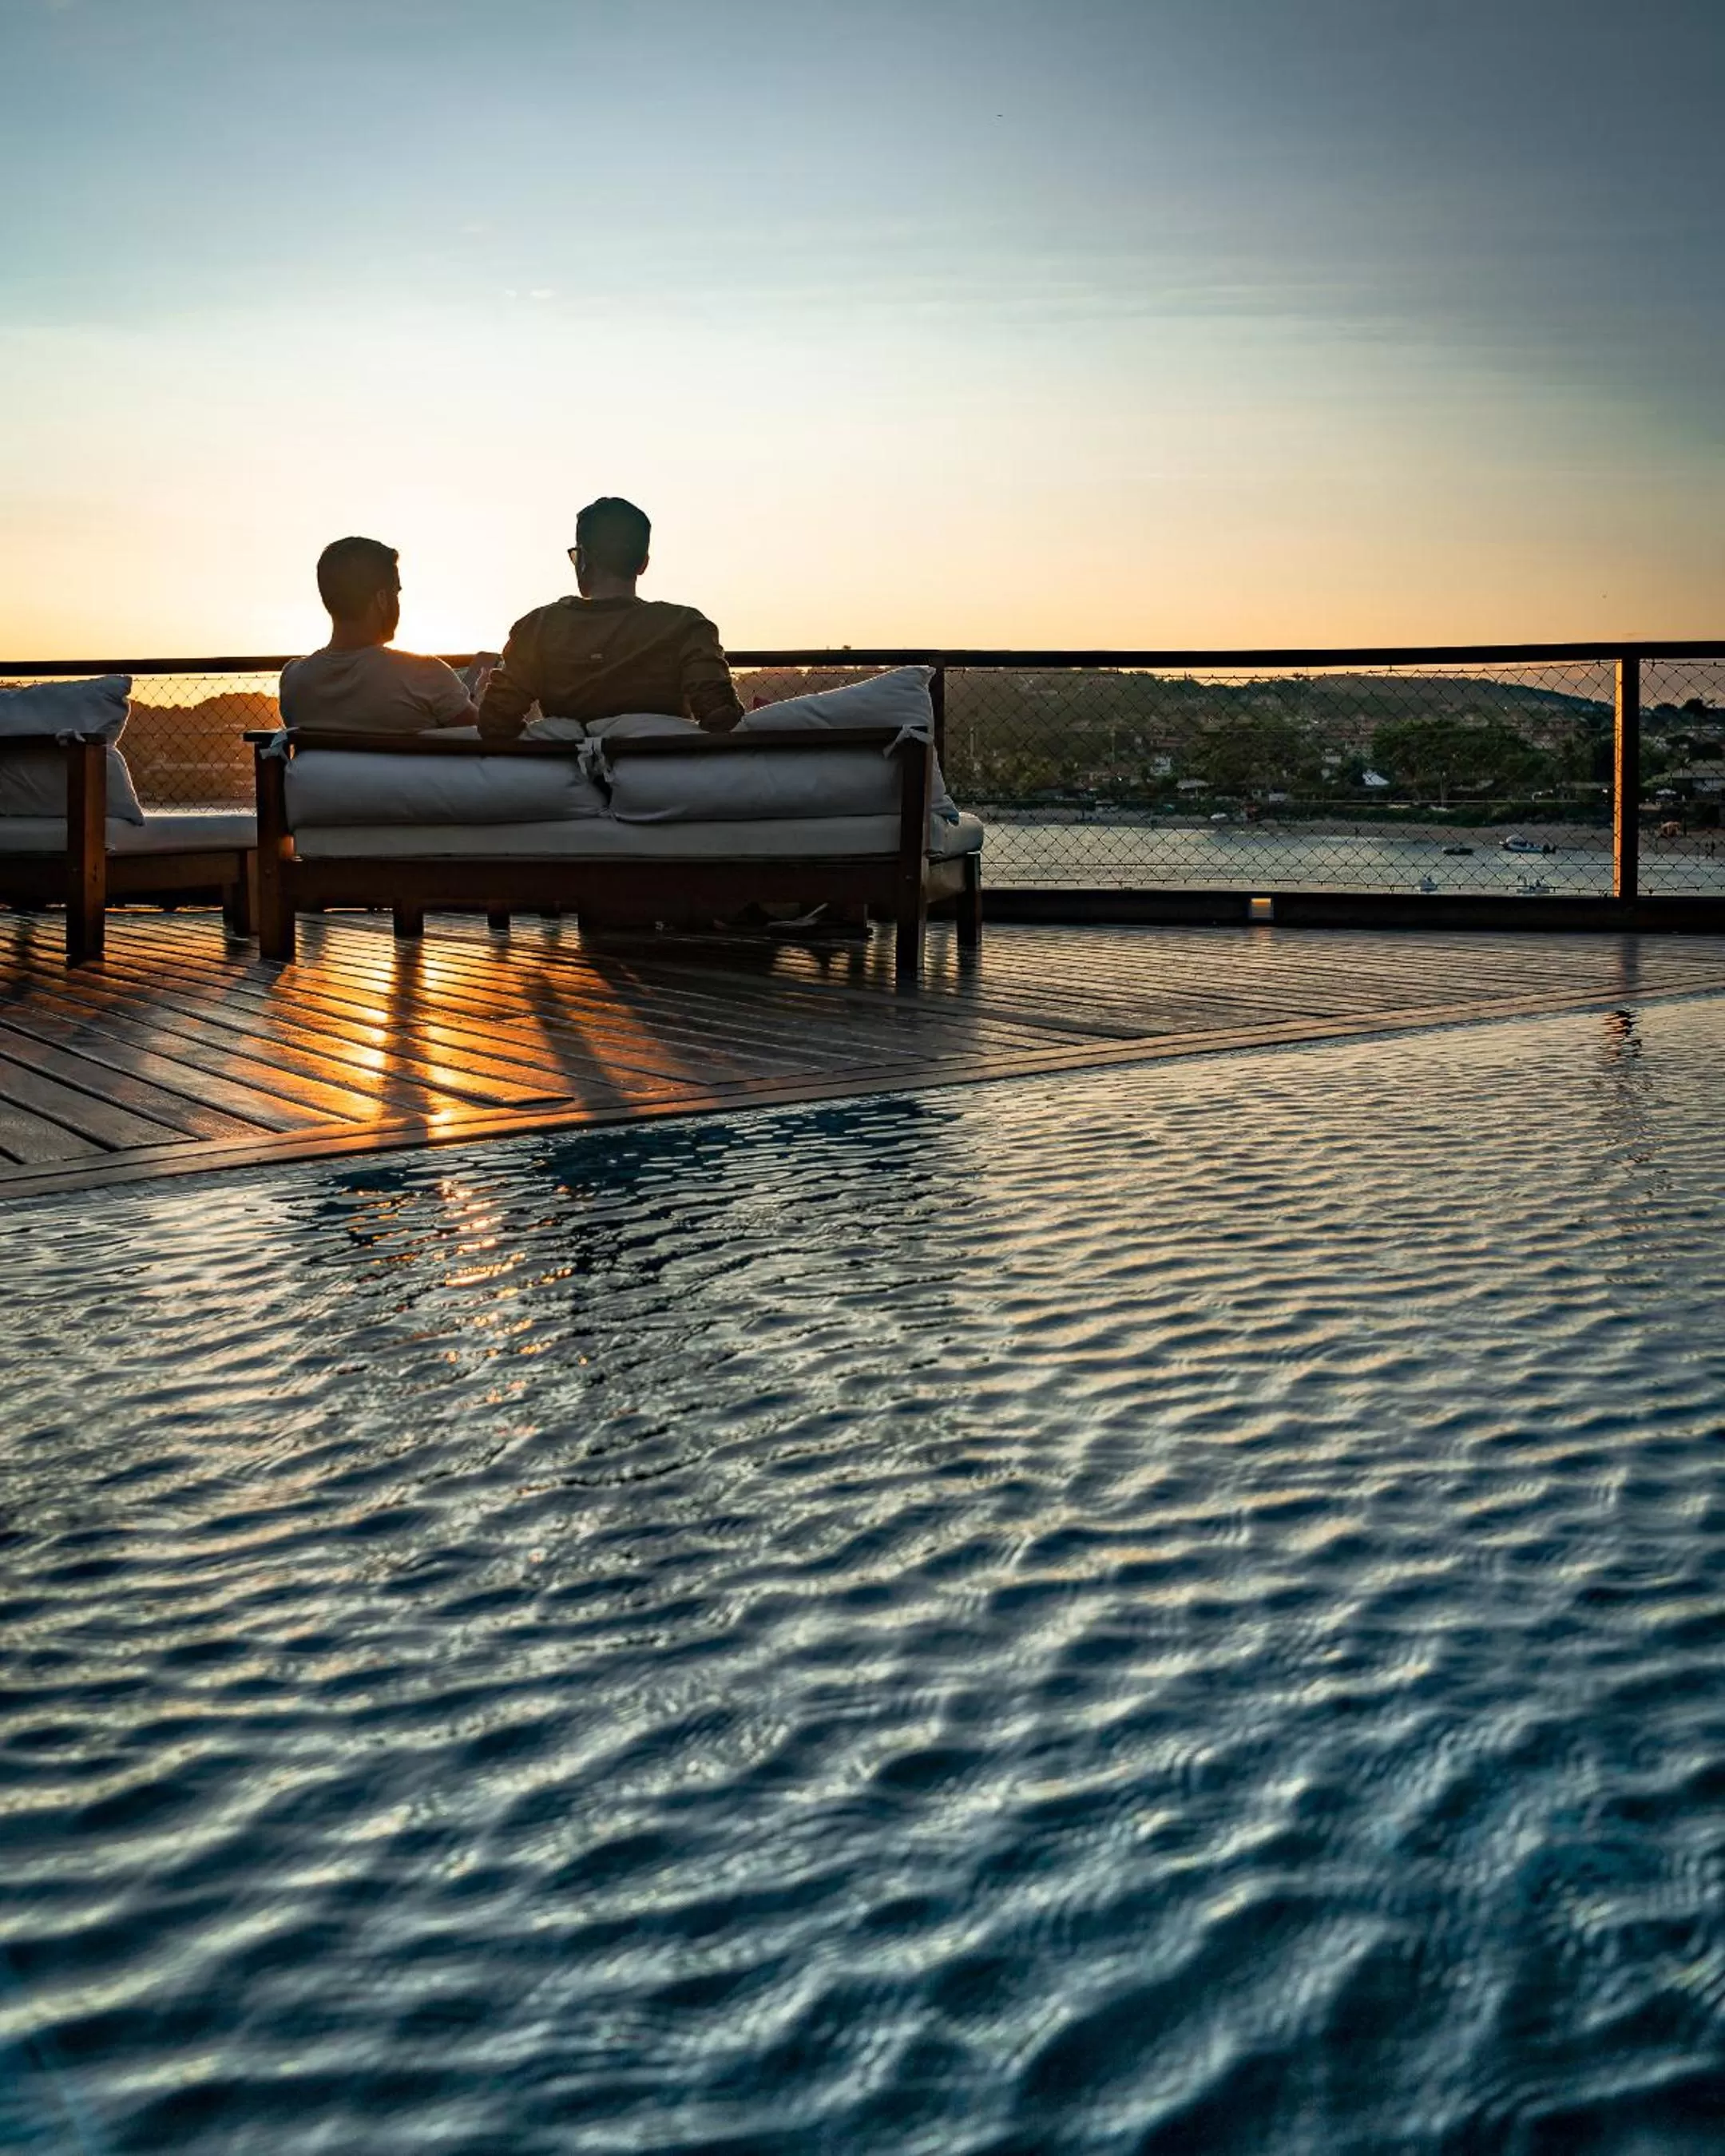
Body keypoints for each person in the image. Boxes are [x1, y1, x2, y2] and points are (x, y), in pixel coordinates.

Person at [478, 497, 743, 740]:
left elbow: (495, 722)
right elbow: (721, 716)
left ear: (582, 559)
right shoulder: (687, 625)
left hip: (568, 772)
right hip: (662, 772)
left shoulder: (537, 628)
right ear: (643, 563)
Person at [280, 537, 480, 734]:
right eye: (396, 593)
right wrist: (483, 701)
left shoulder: (294, 681)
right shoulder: (426, 675)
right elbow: (482, 737)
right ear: (382, 599)